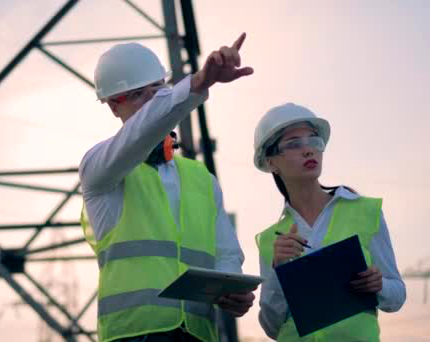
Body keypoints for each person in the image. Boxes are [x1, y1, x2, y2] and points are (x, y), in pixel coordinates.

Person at [79, 33, 255, 342]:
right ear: (113, 107)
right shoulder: (99, 169)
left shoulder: (201, 178)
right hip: (134, 335)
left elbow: (226, 253)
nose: (153, 102)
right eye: (138, 95)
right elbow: (145, 127)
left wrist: (233, 289)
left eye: (159, 90)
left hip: (198, 334)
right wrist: (198, 83)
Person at [253, 103, 406, 341]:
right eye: (294, 143)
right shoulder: (271, 240)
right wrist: (277, 270)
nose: (308, 150)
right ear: (271, 162)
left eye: (314, 141)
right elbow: (273, 327)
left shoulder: (364, 210)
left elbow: (397, 296)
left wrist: (379, 286)